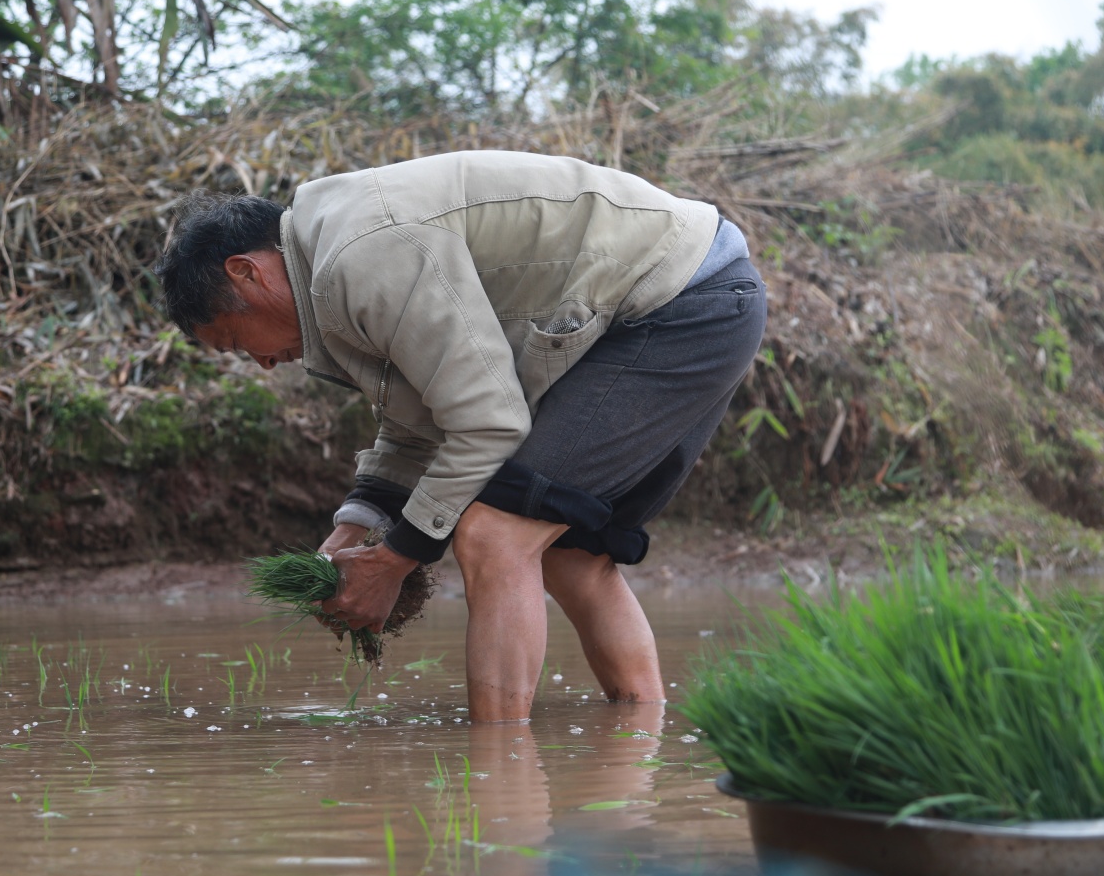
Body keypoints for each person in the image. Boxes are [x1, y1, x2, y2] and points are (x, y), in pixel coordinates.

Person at [157, 150, 765, 722]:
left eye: (237, 342)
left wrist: (393, 561)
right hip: (692, 295)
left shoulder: (357, 256)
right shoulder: (335, 254)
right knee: (571, 555)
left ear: (248, 274)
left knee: (494, 536)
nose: (261, 363)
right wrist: (357, 526)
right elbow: (422, 417)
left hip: (680, 302)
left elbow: (486, 422)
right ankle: (641, 742)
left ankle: (499, 778)